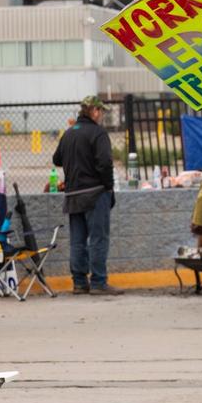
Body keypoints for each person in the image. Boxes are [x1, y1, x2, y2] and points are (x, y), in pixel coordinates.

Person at [53, 95, 123, 295]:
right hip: (95, 193)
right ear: (94, 111)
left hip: (73, 194)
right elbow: (104, 163)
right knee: (98, 238)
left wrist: (75, 162)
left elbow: (57, 159)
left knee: (78, 240)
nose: (102, 116)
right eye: (100, 112)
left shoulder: (68, 134)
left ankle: (79, 282)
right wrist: (108, 188)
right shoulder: (98, 133)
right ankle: (99, 282)